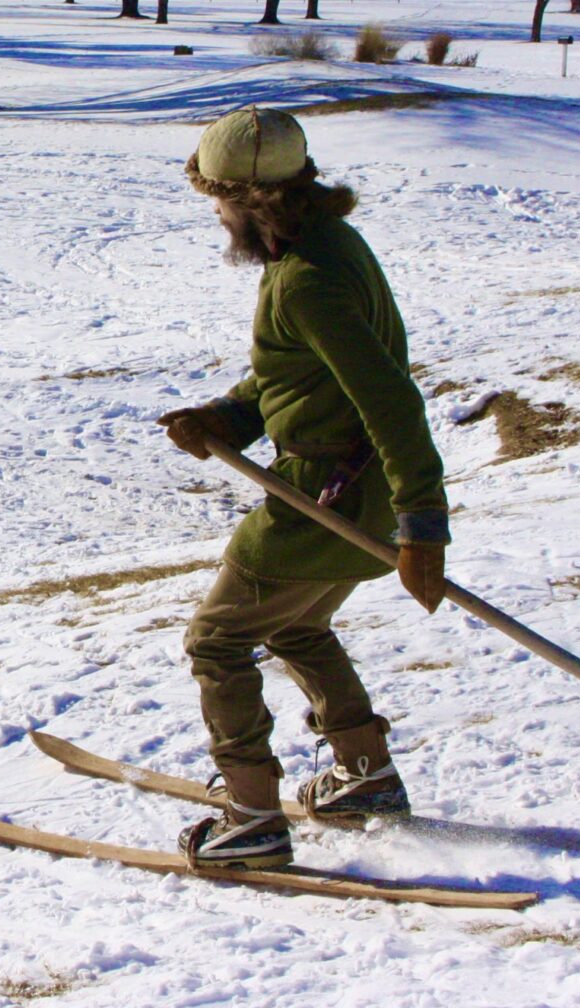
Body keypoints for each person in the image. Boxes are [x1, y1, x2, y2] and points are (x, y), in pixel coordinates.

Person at [158, 107, 449, 870]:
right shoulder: (324, 248)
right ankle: (365, 777)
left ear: (253, 201)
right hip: (357, 494)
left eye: (220, 201)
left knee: (216, 639)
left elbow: (391, 400)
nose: (216, 217)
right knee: (293, 627)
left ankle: (250, 818)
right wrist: (224, 417)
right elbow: (292, 374)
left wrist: (425, 526)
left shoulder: (308, 281)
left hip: (326, 497)